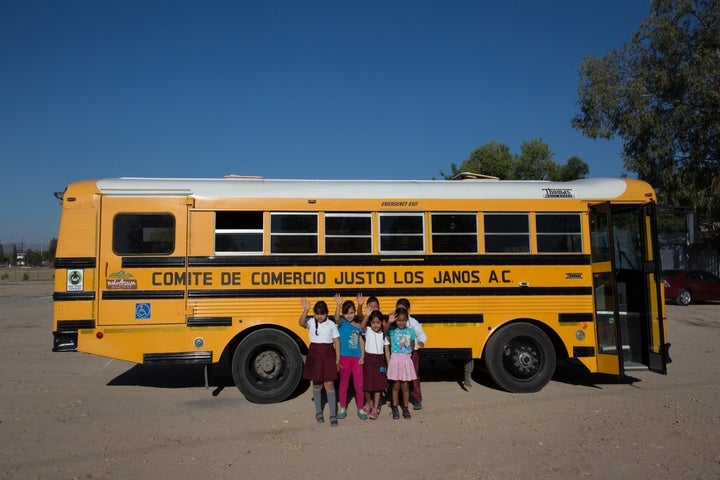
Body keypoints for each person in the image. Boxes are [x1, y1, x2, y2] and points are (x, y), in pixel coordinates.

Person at [299, 298, 340, 426]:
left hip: (328, 355)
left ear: (326, 313)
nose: (319, 316)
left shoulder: (332, 324)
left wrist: (338, 359)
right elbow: (301, 323)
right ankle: (318, 412)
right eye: (317, 314)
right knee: (316, 384)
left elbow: (336, 342)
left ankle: (332, 415)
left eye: (322, 314)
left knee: (329, 384)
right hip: (315, 355)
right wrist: (306, 310)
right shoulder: (311, 321)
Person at [333, 293, 367, 420]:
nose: (349, 315)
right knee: (344, 385)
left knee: (359, 385)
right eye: (346, 313)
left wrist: (362, 356)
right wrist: (338, 305)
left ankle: (360, 408)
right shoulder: (340, 323)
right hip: (344, 358)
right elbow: (336, 317)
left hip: (356, 359)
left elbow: (361, 341)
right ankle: (342, 407)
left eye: (351, 312)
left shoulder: (358, 326)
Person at [385, 306, 417, 420]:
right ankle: (394, 407)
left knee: (405, 385)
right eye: (399, 320)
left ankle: (405, 407)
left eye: (403, 320)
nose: (401, 322)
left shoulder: (411, 331)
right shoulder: (393, 330)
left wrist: (408, 352)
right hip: (395, 359)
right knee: (396, 385)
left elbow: (413, 344)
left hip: (406, 360)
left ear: (407, 320)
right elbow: (385, 330)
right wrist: (389, 321)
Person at [396, 297, 427, 410]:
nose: (400, 312)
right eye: (398, 309)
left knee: (413, 376)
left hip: (412, 353)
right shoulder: (395, 321)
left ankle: (417, 399)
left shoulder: (413, 322)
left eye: (403, 309)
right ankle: (398, 399)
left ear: (408, 310)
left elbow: (421, 334)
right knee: (399, 377)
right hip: (399, 354)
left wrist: (421, 342)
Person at [360, 309, 389, 420]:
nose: (375, 325)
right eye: (373, 322)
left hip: (379, 362)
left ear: (382, 322)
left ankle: (376, 408)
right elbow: (361, 327)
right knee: (366, 386)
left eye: (378, 322)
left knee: (377, 387)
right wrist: (367, 316)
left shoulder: (384, 335)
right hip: (368, 361)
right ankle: (369, 403)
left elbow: (386, 350)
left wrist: (389, 364)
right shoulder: (367, 330)